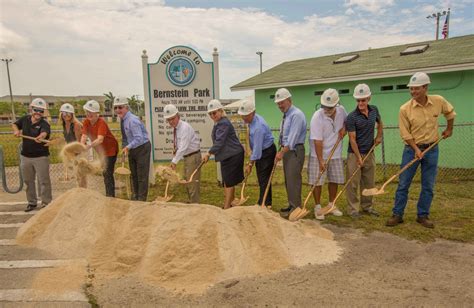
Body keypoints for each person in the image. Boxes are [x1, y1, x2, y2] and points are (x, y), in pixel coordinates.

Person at [386, 72, 455, 228]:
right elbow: (405, 133)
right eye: (411, 89)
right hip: (411, 150)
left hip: (432, 149)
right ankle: (397, 214)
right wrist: (416, 149)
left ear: (425, 87)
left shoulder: (438, 101)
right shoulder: (404, 109)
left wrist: (449, 129)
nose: (413, 92)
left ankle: (422, 215)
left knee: (428, 185)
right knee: (403, 183)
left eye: (416, 89)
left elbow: (450, 113)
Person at [345, 84, 383, 219]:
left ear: (369, 98)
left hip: (370, 152)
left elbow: (380, 123)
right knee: (353, 183)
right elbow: (352, 139)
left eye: (363, 100)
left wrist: (379, 136)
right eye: (358, 100)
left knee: (369, 182)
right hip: (354, 154)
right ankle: (353, 209)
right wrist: (358, 157)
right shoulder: (351, 117)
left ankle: (367, 207)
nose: (361, 103)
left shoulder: (374, 110)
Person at [308, 88, 346, 220]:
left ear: (336, 104)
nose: (327, 109)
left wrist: (344, 129)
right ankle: (318, 206)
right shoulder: (317, 117)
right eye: (325, 106)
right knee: (317, 181)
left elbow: (347, 122)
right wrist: (321, 161)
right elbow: (318, 141)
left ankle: (331, 204)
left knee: (334, 179)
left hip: (335, 153)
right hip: (318, 153)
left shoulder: (342, 111)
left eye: (330, 107)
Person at [202, 99, 244, 209]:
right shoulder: (219, 123)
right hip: (228, 155)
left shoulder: (223, 123)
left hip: (233, 155)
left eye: (214, 112)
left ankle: (226, 207)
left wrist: (208, 153)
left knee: (228, 182)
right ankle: (232, 201)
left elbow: (219, 141)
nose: (212, 115)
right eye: (210, 113)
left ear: (221, 111)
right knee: (228, 180)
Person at [12, 98, 52, 212]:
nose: (38, 113)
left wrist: (42, 136)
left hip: (41, 157)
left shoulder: (44, 123)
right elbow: (15, 124)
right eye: (36, 110)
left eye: (41, 111)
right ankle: (32, 202)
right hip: (25, 157)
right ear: (31, 109)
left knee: (44, 181)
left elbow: (45, 132)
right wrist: (16, 131)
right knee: (28, 181)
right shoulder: (24, 119)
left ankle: (46, 203)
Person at [273, 88, 307, 218]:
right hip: (287, 151)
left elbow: (292, 139)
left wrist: (281, 153)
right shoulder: (286, 115)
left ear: (289, 100)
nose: (280, 106)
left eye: (282, 102)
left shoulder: (296, 115)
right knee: (288, 180)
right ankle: (292, 204)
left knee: (294, 179)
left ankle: (296, 208)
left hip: (294, 151)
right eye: (278, 103)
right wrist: (281, 150)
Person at [238, 99, 276, 206]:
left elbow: (257, 151)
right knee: (262, 178)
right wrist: (251, 162)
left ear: (252, 113)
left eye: (245, 115)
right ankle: (266, 202)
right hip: (262, 150)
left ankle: (263, 203)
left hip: (266, 152)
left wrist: (250, 164)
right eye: (242, 115)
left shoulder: (258, 127)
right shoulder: (252, 121)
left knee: (263, 178)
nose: (243, 118)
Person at [114, 96, 151, 201]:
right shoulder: (123, 119)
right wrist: (126, 147)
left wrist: (128, 147)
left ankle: (142, 199)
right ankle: (136, 196)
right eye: (115, 108)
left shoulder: (132, 120)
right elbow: (127, 137)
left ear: (126, 108)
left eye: (120, 107)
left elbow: (139, 138)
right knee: (133, 174)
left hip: (142, 148)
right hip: (133, 148)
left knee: (141, 176)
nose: (117, 110)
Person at [163, 103, 201, 203]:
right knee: (187, 181)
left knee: (192, 182)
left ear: (178, 116)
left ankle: (195, 206)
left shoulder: (184, 128)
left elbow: (184, 146)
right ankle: (192, 201)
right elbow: (180, 145)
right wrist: (176, 149)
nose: (171, 121)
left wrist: (174, 161)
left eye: (172, 118)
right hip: (187, 157)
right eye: (169, 120)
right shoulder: (177, 128)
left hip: (193, 157)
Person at [80, 100, 119, 197]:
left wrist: (88, 146)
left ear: (97, 113)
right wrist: (81, 146)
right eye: (87, 112)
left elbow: (100, 139)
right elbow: (84, 136)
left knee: (107, 173)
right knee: (105, 173)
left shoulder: (102, 123)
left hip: (110, 150)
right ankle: (109, 194)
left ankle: (110, 196)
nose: (88, 114)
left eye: (91, 112)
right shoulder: (86, 122)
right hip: (101, 151)